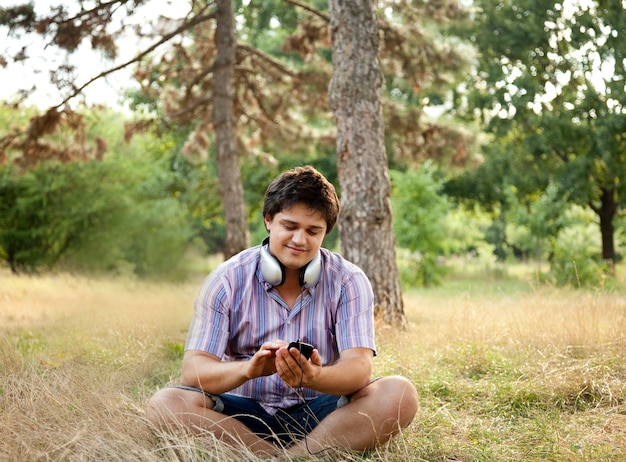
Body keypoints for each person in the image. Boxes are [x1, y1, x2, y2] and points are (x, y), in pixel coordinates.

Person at [147, 165, 418, 457]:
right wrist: (248, 370)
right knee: (164, 404)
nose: (300, 240)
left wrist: (313, 377)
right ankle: (280, 455)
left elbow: (359, 370)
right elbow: (194, 370)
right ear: (268, 220)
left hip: (323, 415)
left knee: (399, 394)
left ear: (326, 232)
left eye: (313, 231)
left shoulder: (349, 280)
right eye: (289, 226)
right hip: (241, 416)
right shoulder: (225, 279)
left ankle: (294, 457)